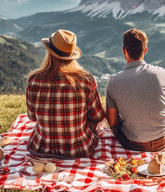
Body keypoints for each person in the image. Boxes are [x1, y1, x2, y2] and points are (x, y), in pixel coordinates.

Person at [26, 29, 106, 159]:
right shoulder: (86, 80)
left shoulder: (34, 80)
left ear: (49, 53)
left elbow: (32, 117)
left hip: (42, 148)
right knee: (94, 123)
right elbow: (97, 115)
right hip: (79, 149)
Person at [106, 28, 165, 152]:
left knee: (117, 124)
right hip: (162, 141)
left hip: (133, 144)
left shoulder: (113, 81)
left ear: (124, 51)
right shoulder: (161, 73)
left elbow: (112, 122)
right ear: (145, 50)